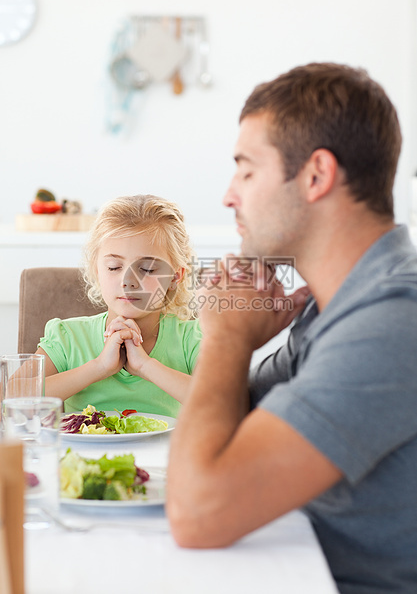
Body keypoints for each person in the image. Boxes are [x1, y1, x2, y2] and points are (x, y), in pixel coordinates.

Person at [166, 63, 417, 594]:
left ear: (316, 176)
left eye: (247, 171)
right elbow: (226, 431)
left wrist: (227, 336)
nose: (229, 196)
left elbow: (198, 509)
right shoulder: (333, 308)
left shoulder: (395, 319)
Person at [37, 194, 201, 416]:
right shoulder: (67, 336)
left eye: (148, 269)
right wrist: (99, 367)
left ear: (175, 277)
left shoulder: (191, 339)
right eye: (114, 267)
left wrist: (145, 366)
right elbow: (13, 398)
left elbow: (221, 403)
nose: (128, 281)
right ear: (97, 270)